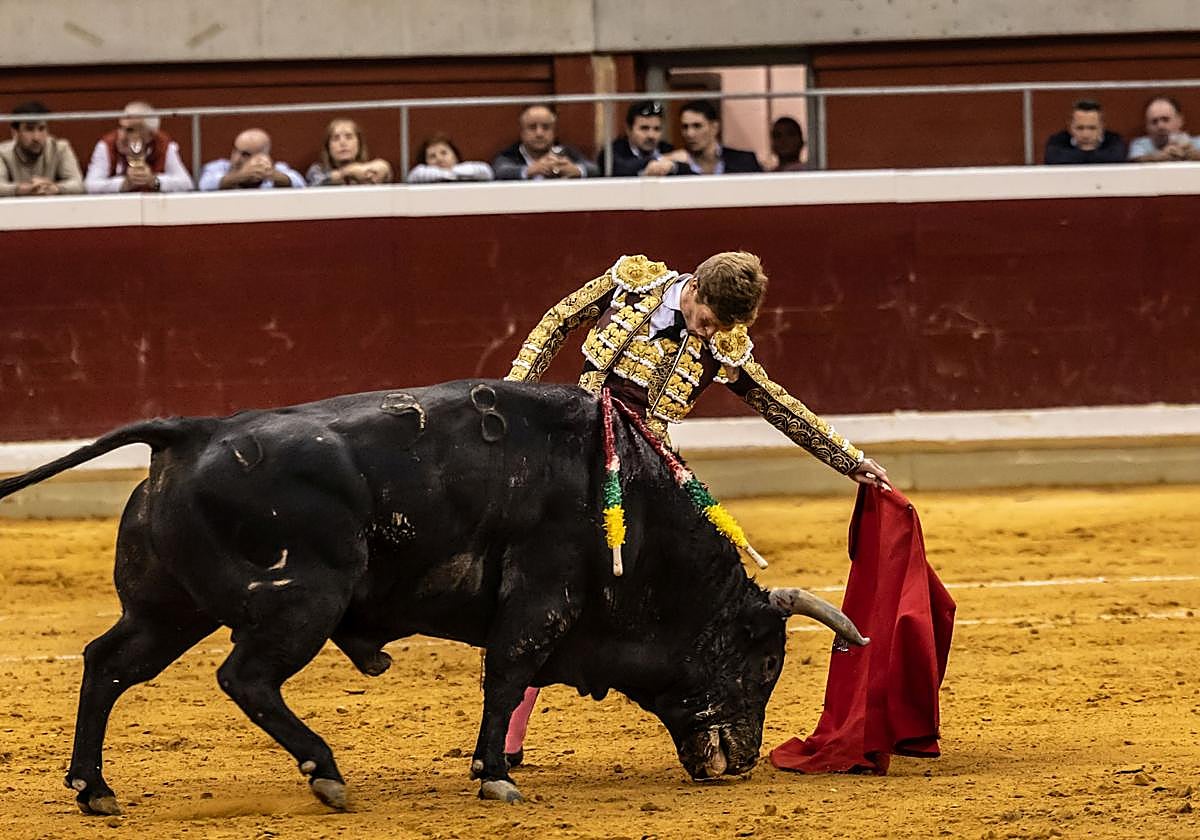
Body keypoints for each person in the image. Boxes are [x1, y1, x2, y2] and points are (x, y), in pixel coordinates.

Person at [502, 251, 890, 766]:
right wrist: (514, 394)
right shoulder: (632, 283)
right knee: (548, 582)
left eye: (722, 328)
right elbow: (557, 320)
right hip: (574, 450)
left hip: (646, 475)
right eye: (708, 320)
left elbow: (776, 402)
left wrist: (849, 461)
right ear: (695, 290)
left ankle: (700, 711)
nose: (711, 334)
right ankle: (507, 734)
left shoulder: (724, 344)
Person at [84, 101, 193, 193]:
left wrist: (153, 181)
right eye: (121, 127)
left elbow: (186, 183)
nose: (122, 135)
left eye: (130, 130)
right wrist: (125, 184)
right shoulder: (107, 145)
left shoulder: (164, 144)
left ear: (149, 135)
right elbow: (90, 185)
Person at [492, 104, 598, 180]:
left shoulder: (567, 151)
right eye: (532, 127)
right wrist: (528, 171)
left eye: (546, 127)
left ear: (554, 131)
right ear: (522, 132)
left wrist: (577, 170)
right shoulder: (510, 154)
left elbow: (594, 169)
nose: (539, 133)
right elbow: (500, 171)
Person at [0, 100, 84, 196]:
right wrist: (23, 189)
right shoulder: (2, 153)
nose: (37, 137)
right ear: (15, 132)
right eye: (29, 129)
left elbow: (78, 184)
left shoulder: (60, 148)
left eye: (41, 129)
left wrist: (54, 188)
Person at [665, 99, 762, 174]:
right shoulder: (675, 164)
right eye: (685, 127)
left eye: (697, 126)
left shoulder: (744, 161)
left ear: (714, 127)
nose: (690, 134)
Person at [596, 100, 688, 177]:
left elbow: (689, 171)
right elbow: (621, 169)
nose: (651, 135)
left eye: (657, 129)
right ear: (629, 130)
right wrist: (661, 158)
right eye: (644, 128)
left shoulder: (666, 148)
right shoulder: (612, 152)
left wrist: (673, 166)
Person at [198, 128, 305, 191]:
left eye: (245, 154)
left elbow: (299, 183)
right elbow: (205, 185)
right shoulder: (219, 167)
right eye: (235, 150)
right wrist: (241, 176)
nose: (236, 159)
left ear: (262, 156)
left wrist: (271, 175)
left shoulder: (277, 169)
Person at [306, 118, 393, 186]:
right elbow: (315, 184)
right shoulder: (317, 170)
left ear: (359, 143)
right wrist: (348, 172)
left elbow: (384, 169)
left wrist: (362, 170)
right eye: (336, 138)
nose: (343, 143)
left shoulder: (368, 169)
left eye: (349, 137)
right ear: (328, 147)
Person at [1043, 99, 1127, 164]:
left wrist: (1078, 156)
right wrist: (1093, 155)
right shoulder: (1057, 141)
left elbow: (1117, 158)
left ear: (1102, 126)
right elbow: (1053, 159)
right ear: (1070, 127)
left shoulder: (1115, 140)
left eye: (1092, 128)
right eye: (1080, 128)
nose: (1086, 135)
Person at [1127, 96, 1200, 162]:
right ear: (1147, 127)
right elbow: (1135, 161)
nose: (1160, 126)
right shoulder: (1140, 145)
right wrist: (1162, 156)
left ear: (1180, 121)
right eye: (1154, 122)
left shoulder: (1197, 142)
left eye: (1166, 120)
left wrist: (1190, 154)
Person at [406, 133, 494, 183]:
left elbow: (487, 172)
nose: (439, 159)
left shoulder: (469, 169)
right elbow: (413, 176)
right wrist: (448, 175)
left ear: (455, 156)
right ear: (426, 161)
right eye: (432, 156)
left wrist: (454, 172)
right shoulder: (421, 173)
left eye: (444, 153)